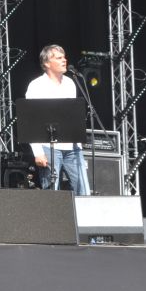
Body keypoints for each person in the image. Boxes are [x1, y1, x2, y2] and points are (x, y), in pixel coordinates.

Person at [25, 44, 89, 195]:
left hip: (72, 147)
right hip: (48, 146)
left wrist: (78, 145)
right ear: (47, 63)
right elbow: (31, 120)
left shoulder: (70, 83)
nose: (64, 60)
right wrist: (37, 152)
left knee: (83, 191)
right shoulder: (36, 86)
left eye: (64, 57)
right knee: (52, 194)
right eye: (59, 58)